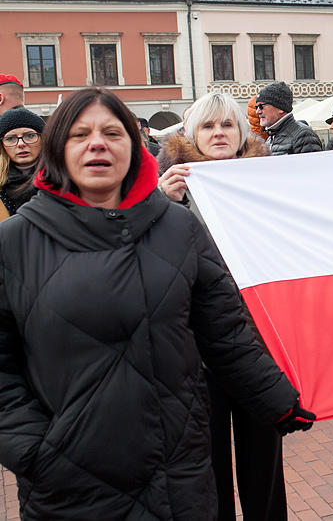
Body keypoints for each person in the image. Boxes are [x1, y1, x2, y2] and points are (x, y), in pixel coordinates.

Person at [0, 87, 315, 520]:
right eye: (80, 134)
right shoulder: (13, 243)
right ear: (57, 149)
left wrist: (279, 400)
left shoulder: (177, 228)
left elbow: (224, 332)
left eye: (113, 132)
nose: (98, 143)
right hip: (70, 487)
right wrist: (35, 451)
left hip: (178, 477)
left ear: (134, 148)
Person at [157, 92, 288, 521]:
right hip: (194, 350)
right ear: (191, 134)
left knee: (264, 462)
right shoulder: (166, 188)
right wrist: (161, 205)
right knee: (205, 463)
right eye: (208, 126)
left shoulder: (269, 182)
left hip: (257, 343)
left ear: (241, 132)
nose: (218, 133)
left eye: (226, 125)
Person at [0, 109, 45, 220]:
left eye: (29, 136)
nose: (21, 144)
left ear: (43, 139)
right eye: (10, 138)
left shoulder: (62, 177)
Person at [254, 81, 322, 155]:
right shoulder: (271, 137)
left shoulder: (304, 136)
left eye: (261, 106)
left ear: (280, 108)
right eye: (256, 107)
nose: (258, 111)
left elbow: (312, 165)